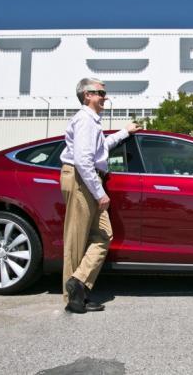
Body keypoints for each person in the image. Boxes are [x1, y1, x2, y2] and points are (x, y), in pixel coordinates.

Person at [60, 77, 141, 314]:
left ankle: (78, 283)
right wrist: (99, 192)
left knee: (103, 234)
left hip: (86, 178)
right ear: (87, 95)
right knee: (76, 241)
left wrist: (124, 132)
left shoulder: (92, 121)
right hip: (81, 179)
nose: (105, 97)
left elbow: (101, 148)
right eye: (101, 93)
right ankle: (74, 299)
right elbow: (83, 160)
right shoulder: (85, 119)